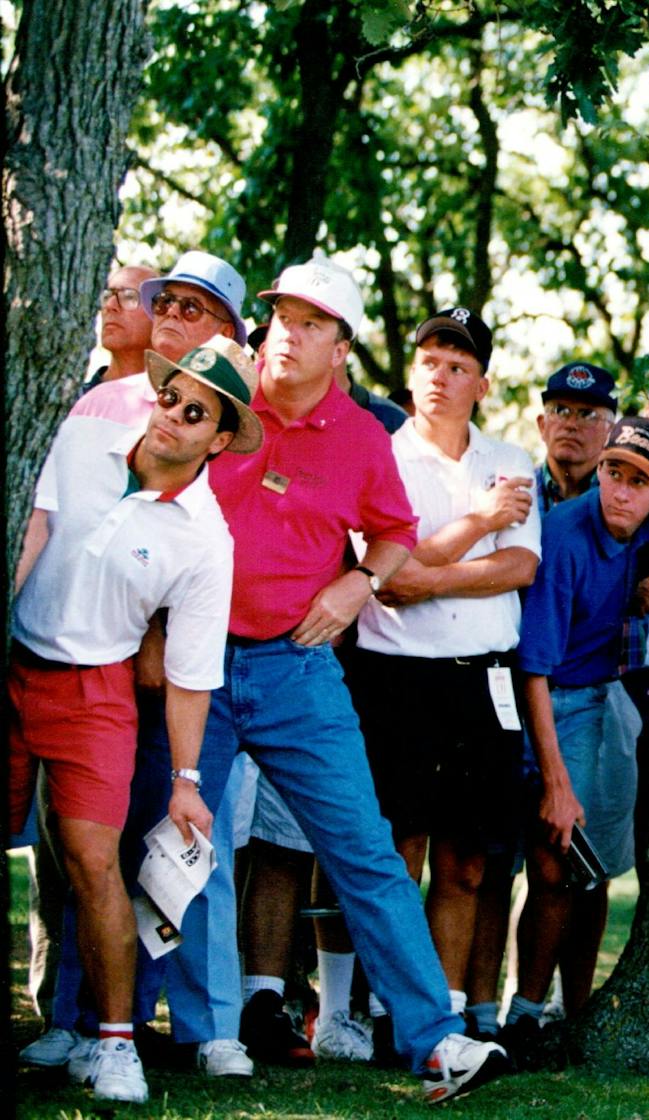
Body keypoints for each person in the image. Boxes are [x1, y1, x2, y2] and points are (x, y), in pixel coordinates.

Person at [148, 256, 508, 1103]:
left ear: (341, 347)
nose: (287, 336)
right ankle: (209, 1036)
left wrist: (358, 583)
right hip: (193, 662)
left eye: (311, 324)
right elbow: (152, 484)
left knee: (364, 850)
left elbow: (390, 535)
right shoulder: (220, 394)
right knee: (193, 848)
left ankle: (435, 1042)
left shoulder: (359, 439)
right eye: (280, 319)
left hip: (294, 666)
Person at [10, 335, 261, 1103]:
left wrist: (187, 781)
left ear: (219, 440)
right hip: (14, 659)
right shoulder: (83, 434)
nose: (172, 417)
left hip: (96, 692)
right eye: (169, 396)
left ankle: (115, 1043)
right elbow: (31, 533)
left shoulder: (205, 539)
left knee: (94, 865)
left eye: (195, 413)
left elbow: (189, 675)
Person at [346, 306, 540, 1050]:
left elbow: (518, 566)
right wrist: (478, 524)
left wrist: (428, 574)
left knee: (466, 861)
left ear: (481, 383)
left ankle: (449, 1009)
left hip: (483, 679)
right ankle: (397, 1010)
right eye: (430, 361)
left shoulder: (509, 462)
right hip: (394, 676)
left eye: (458, 365)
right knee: (399, 850)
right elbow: (383, 572)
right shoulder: (379, 456)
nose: (441, 375)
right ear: (411, 372)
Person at [501, 416, 649, 1065]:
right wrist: (555, 782)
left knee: (594, 867)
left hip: (608, 697)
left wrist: (643, 588)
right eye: (613, 473)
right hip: (555, 700)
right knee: (553, 861)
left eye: (639, 481)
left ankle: (578, 1014)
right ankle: (522, 1012)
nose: (621, 493)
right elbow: (535, 672)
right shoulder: (564, 536)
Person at [73, 251, 249, 428]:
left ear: (225, 333)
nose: (172, 311)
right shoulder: (98, 402)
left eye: (191, 308)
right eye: (165, 301)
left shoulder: (228, 427)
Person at [534, 362, 618, 514]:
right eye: (560, 411)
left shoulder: (621, 500)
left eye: (587, 414)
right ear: (542, 425)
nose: (571, 424)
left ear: (611, 433)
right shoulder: (519, 488)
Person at [81, 264, 161, 391]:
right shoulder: (75, 401)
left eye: (128, 297)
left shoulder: (174, 404)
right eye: (106, 297)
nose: (110, 305)